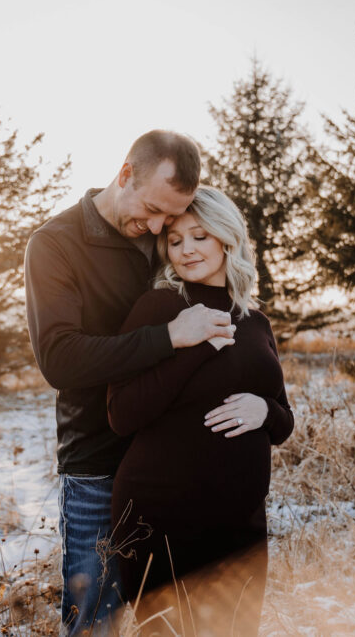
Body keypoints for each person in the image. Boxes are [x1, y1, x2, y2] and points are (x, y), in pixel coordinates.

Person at [24, 130, 238, 635]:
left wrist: (263, 405)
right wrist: (167, 336)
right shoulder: (54, 245)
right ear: (124, 175)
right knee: (95, 621)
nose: (162, 226)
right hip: (98, 467)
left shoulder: (160, 236)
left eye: (172, 216)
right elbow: (60, 359)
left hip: (171, 462)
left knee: (170, 620)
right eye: (154, 210)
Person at [107, 186, 294, 635]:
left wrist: (264, 411)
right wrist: (191, 346)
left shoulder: (255, 321)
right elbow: (121, 414)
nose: (186, 250)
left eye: (199, 237)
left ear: (227, 239)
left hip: (241, 527)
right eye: (175, 241)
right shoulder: (159, 308)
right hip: (163, 520)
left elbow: (284, 421)